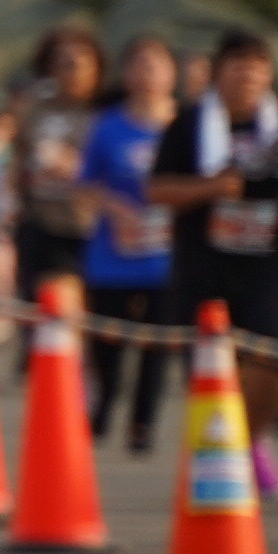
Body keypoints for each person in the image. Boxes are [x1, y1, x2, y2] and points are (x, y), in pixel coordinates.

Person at [149, 29, 278, 499]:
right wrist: (211, 189)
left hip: (269, 264)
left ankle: (246, 443)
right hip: (205, 265)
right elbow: (157, 189)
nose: (248, 78)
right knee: (211, 370)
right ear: (217, 73)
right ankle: (216, 470)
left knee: (276, 361)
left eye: (258, 69)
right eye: (238, 68)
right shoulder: (188, 125)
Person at [78, 34, 182, 454]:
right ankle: (104, 400)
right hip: (114, 254)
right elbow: (85, 184)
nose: (147, 74)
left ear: (172, 73)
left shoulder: (187, 126)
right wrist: (115, 208)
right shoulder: (108, 126)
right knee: (107, 339)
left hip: (167, 257)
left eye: (156, 65)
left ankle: (143, 423)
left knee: (158, 343)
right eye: (139, 65)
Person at [7, 22, 106, 307]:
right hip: (41, 224)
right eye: (63, 64)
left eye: (79, 65)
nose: (72, 72)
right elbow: (18, 159)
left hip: (90, 228)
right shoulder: (35, 110)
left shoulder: (106, 113)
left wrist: (77, 166)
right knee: (44, 308)